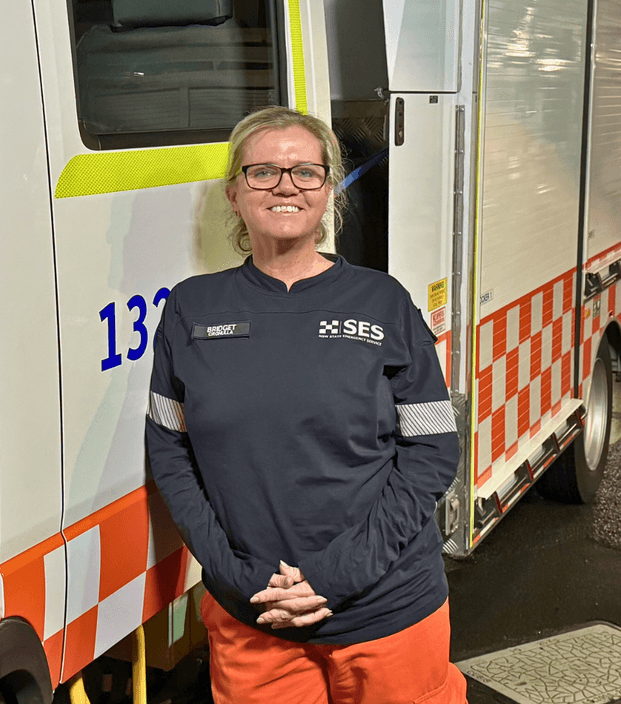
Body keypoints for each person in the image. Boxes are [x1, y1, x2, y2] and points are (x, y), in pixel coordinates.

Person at [145, 105, 468, 704]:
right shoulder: (192, 309)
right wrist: (236, 578)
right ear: (235, 194)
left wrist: (333, 575)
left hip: (389, 612)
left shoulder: (384, 303)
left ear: (329, 191)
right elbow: (169, 450)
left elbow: (430, 451)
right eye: (263, 171)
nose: (286, 185)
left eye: (306, 172)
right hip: (255, 618)